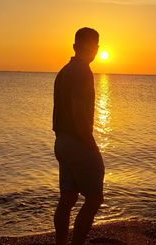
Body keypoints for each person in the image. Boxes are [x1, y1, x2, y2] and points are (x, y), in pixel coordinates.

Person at [52, 27, 105, 245]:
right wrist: (91, 144)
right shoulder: (83, 71)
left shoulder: (64, 70)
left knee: (68, 197)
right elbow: (77, 111)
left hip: (62, 142)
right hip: (77, 142)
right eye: (91, 46)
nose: (92, 51)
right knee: (93, 199)